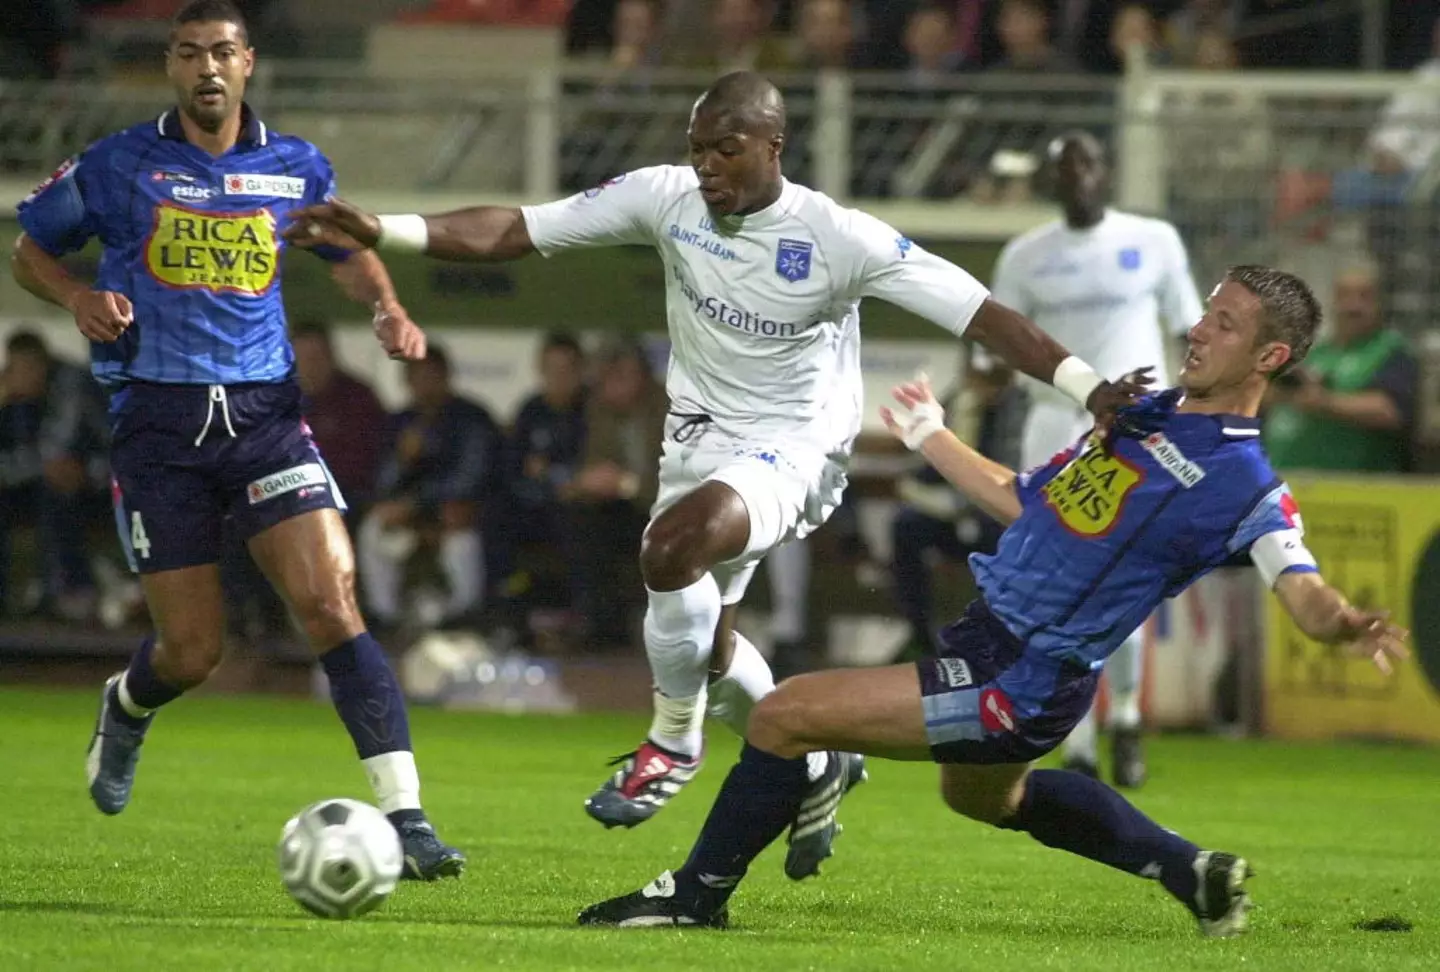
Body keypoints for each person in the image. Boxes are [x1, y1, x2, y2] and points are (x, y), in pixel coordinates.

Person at [286, 71, 1144, 878]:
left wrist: (1088, 386)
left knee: (668, 550)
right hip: (699, 447)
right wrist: (386, 231)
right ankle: (818, 765)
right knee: (710, 640)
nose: (706, 166)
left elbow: (982, 314)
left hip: (797, 449)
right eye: (698, 147)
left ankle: (672, 741)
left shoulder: (839, 238)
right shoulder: (667, 198)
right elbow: (518, 228)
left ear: (775, 145)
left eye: (725, 148)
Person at [575, 265, 1409, 936]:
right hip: (1003, 650)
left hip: (1020, 675)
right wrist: (929, 434)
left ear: (1270, 358)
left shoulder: (1247, 483)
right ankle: (1188, 871)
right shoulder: (1145, 414)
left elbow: (1299, 587)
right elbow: (1024, 498)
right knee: (983, 799)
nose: (1198, 329)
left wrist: (1340, 621)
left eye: (1225, 324)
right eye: (1205, 313)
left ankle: (693, 896)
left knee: (785, 715)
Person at [9, 0, 464, 879]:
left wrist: (388, 304)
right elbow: (31, 248)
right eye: (188, 54)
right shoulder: (117, 164)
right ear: (172, 69)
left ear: (249, 63)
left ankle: (407, 820)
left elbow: (345, 245)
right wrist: (75, 298)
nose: (206, 68)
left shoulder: (294, 166)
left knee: (332, 603)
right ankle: (128, 706)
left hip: (264, 419)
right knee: (194, 652)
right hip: (158, 426)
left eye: (222, 51)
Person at [990, 130, 1205, 787]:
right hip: (1055, 426)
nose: (1077, 175)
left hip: (1138, 431)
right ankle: (1077, 737)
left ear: (1105, 172)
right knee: (1057, 585)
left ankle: (1129, 718)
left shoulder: (1154, 241)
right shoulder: (1025, 256)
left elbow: (1189, 335)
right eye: (1063, 166)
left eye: (1086, 161)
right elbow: (998, 347)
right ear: (1050, 182)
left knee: (1127, 580)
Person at [357, 347, 503, 630]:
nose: (425, 385)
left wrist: (420, 504)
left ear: (447, 377)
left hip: (460, 512)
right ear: (407, 382)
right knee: (373, 527)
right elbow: (382, 484)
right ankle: (384, 614)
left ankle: (464, 615)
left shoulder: (471, 417)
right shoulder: (400, 422)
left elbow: (471, 480)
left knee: (461, 535)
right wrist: (402, 459)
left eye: (432, 377)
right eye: (418, 378)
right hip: (412, 514)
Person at [1264, 258, 1418, 474]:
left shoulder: (1390, 350)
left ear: (1380, 303)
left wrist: (1324, 402)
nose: (1352, 305)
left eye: (1364, 296)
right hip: (1286, 483)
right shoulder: (1315, 352)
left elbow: (1389, 410)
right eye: (1344, 295)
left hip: (1351, 489)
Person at [0, 329, 110, 619]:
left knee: (58, 492)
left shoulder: (72, 386)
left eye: (31, 366)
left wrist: (85, 471)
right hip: (33, 485)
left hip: (97, 485)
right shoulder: (14, 398)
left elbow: (103, 449)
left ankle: (71, 595)